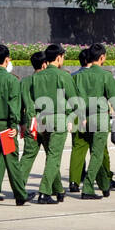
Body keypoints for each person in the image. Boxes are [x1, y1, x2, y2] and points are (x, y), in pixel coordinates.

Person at [19, 48, 71, 203]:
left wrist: (25, 121)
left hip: (35, 120)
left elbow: (26, 103)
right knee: (53, 157)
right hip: (56, 119)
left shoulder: (31, 79)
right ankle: (45, 192)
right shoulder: (63, 75)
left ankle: (20, 189)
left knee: (29, 156)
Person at [71, 46, 115, 199]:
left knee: (92, 151)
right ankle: (88, 187)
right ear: (102, 57)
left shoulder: (78, 76)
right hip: (99, 117)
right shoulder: (105, 75)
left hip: (83, 117)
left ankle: (105, 185)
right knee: (97, 154)